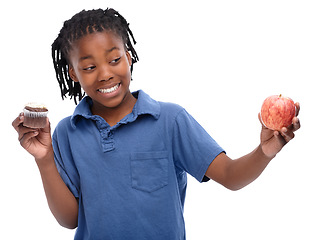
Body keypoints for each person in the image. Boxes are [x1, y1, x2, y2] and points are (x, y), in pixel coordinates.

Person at [12, 8, 301, 240]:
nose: (104, 74)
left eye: (114, 59)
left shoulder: (170, 120)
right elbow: (69, 220)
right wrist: (45, 159)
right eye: (88, 67)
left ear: (128, 56)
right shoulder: (66, 131)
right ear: (74, 74)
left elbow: (230, 175)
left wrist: (264, 151)